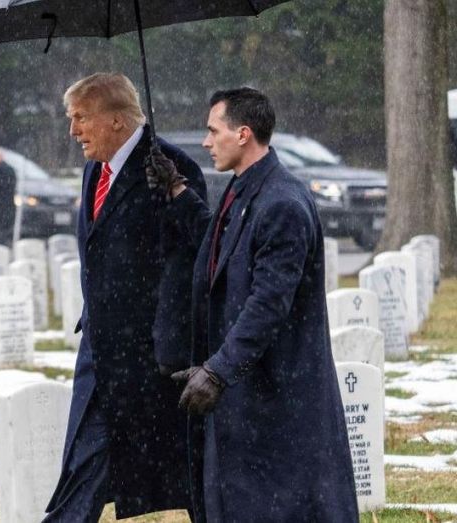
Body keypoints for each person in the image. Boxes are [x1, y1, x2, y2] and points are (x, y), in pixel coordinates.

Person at [163, 87, 359, 522]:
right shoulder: (245, 189)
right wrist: (176, 191)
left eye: (213, 131)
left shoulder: (282, 203)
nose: (206, 142)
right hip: (249, 398)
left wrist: (217, 371)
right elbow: (220, 250)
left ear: (244, 134)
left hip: (278, 398)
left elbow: (268, 305)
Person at [44, 73, 207, 522]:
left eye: (81, 118)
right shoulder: (94, 168)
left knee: (184, 475)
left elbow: (194, 251)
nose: (73, 130)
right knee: (82, 460)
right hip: (100, 349)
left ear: (116, 120)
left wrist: (174, 192)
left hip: (148, 358)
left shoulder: (171, 168)